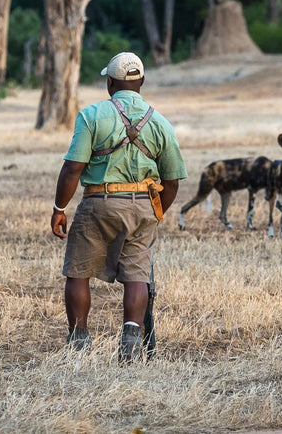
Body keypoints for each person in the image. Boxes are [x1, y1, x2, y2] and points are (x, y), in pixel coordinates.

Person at [50, 51, 187, 361]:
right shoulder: (161, 122)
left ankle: (80, 341)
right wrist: (156, 212)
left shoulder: (91, 115)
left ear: (110, 83)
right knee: (138, 274)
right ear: (142, 82)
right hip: (142, 204)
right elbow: (174, 180)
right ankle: (130, 340)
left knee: (78, 271)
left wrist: (60, 208)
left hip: (99, 201)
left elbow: (72, 169)